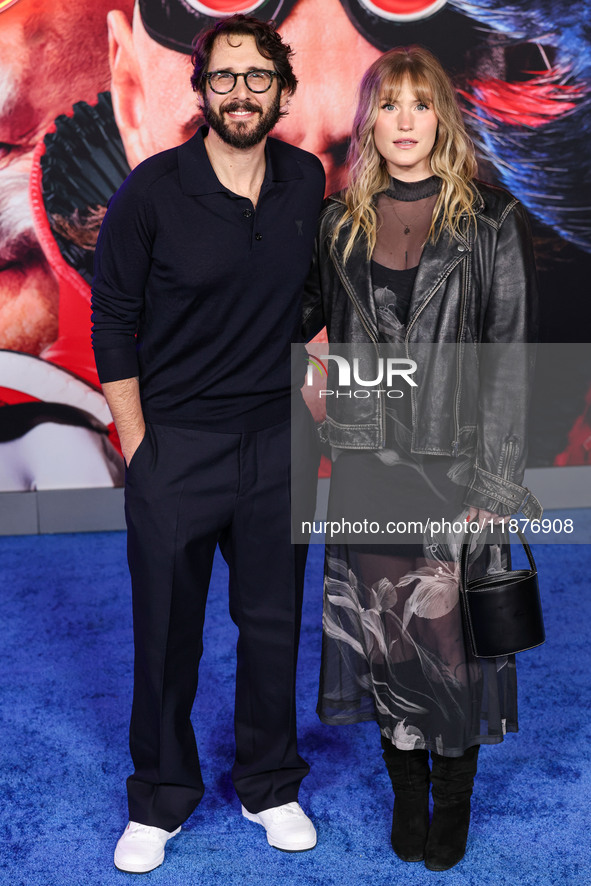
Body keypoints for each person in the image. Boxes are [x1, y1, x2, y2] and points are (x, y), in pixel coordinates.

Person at [91, 14, 325, 874]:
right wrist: (139, 443)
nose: (239, 92)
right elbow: (112, 317)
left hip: (273, 446)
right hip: (175, 449)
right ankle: (160, 797)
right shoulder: (152, 191)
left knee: (271, 629)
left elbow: (313, 298)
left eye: (256, 77)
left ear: (281, 92)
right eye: (223, 77)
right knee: (165, 635)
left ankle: (270, 783)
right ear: (200, 91)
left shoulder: (305, 182)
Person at [302, 46, 543, 872]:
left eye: (419, 105)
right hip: (369, 465)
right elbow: (301, 323)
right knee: (384, 643)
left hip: (456, 470)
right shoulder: (338, 223)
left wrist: (496, 483)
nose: (403, 122)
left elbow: (510, 361)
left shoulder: (489, 222)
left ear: (441, 117)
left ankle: (453, 797)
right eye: (388, 105)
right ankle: (406, 792)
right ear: (369, 119)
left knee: (451, 647)